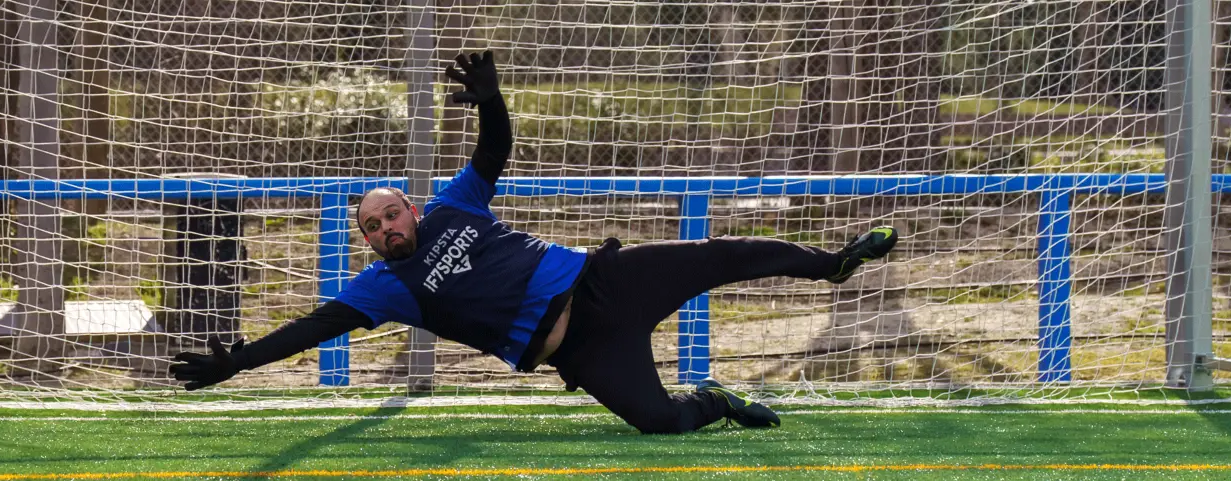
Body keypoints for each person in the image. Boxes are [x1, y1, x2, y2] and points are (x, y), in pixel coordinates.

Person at [168, 51, 899, 434]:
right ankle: (717, 403)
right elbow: (311, 327)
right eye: (372, 225)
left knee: (725, 255)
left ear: (412, 208)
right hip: (577, 349)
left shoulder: (454, 204)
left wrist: (491, 99)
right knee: (661, 421)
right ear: (365, 238)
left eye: (392, 213)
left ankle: (832, 265)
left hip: (602, 280)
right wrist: (236, 361)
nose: (387, 226)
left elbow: (495, 150)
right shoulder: (382, 287)